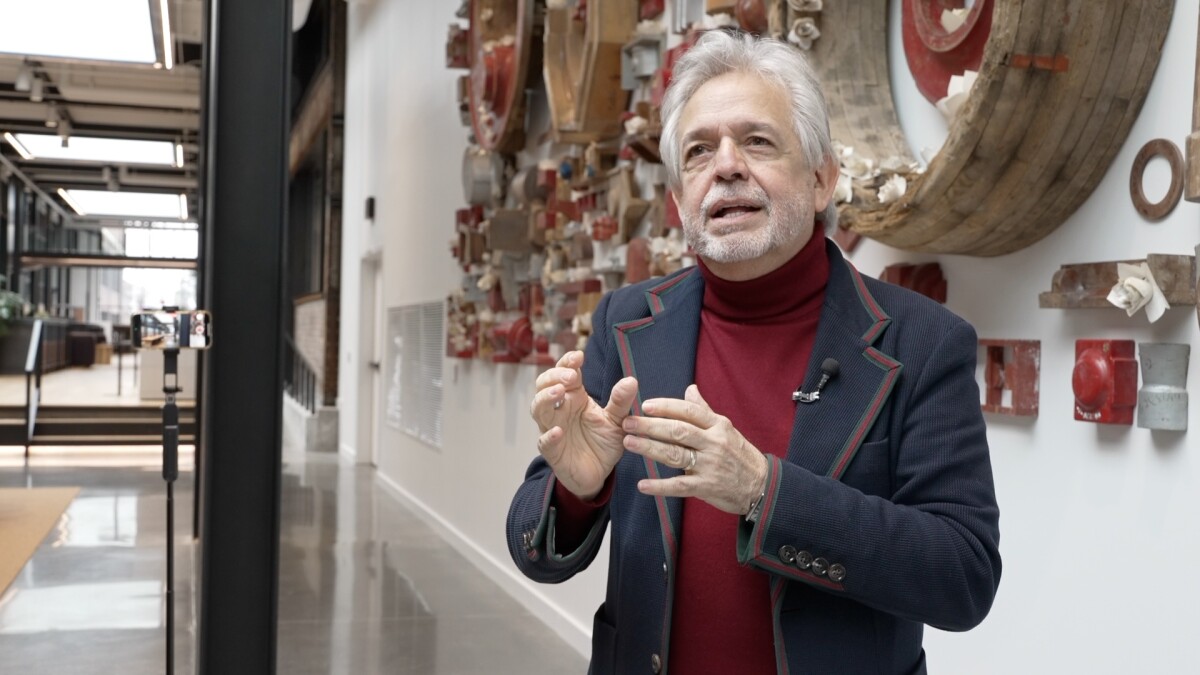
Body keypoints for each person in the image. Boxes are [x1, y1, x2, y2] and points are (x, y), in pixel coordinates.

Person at [507, 28, 1000, 675]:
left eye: (758, 141)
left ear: (822, 180)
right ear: (679, 200)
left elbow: (963, 575)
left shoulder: (923, 341)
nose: (727, 165)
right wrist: (577, 491)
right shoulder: (625, 322)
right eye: (699, 151)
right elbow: (535, 551)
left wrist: (765, 492)